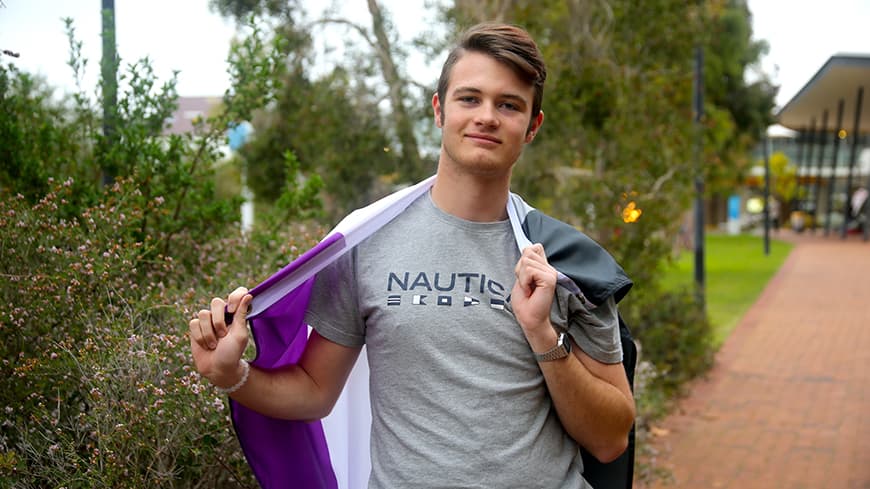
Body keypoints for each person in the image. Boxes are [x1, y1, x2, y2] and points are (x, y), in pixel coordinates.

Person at [189, 22, 635, 488]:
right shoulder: (367, 242)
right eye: (470, 98)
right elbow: (315, 392)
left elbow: (609, 440)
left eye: (509, 105)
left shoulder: (565, 262)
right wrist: (230, 374)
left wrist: (542, 334)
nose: (487, 116)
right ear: (439, 111)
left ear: (532, 127)